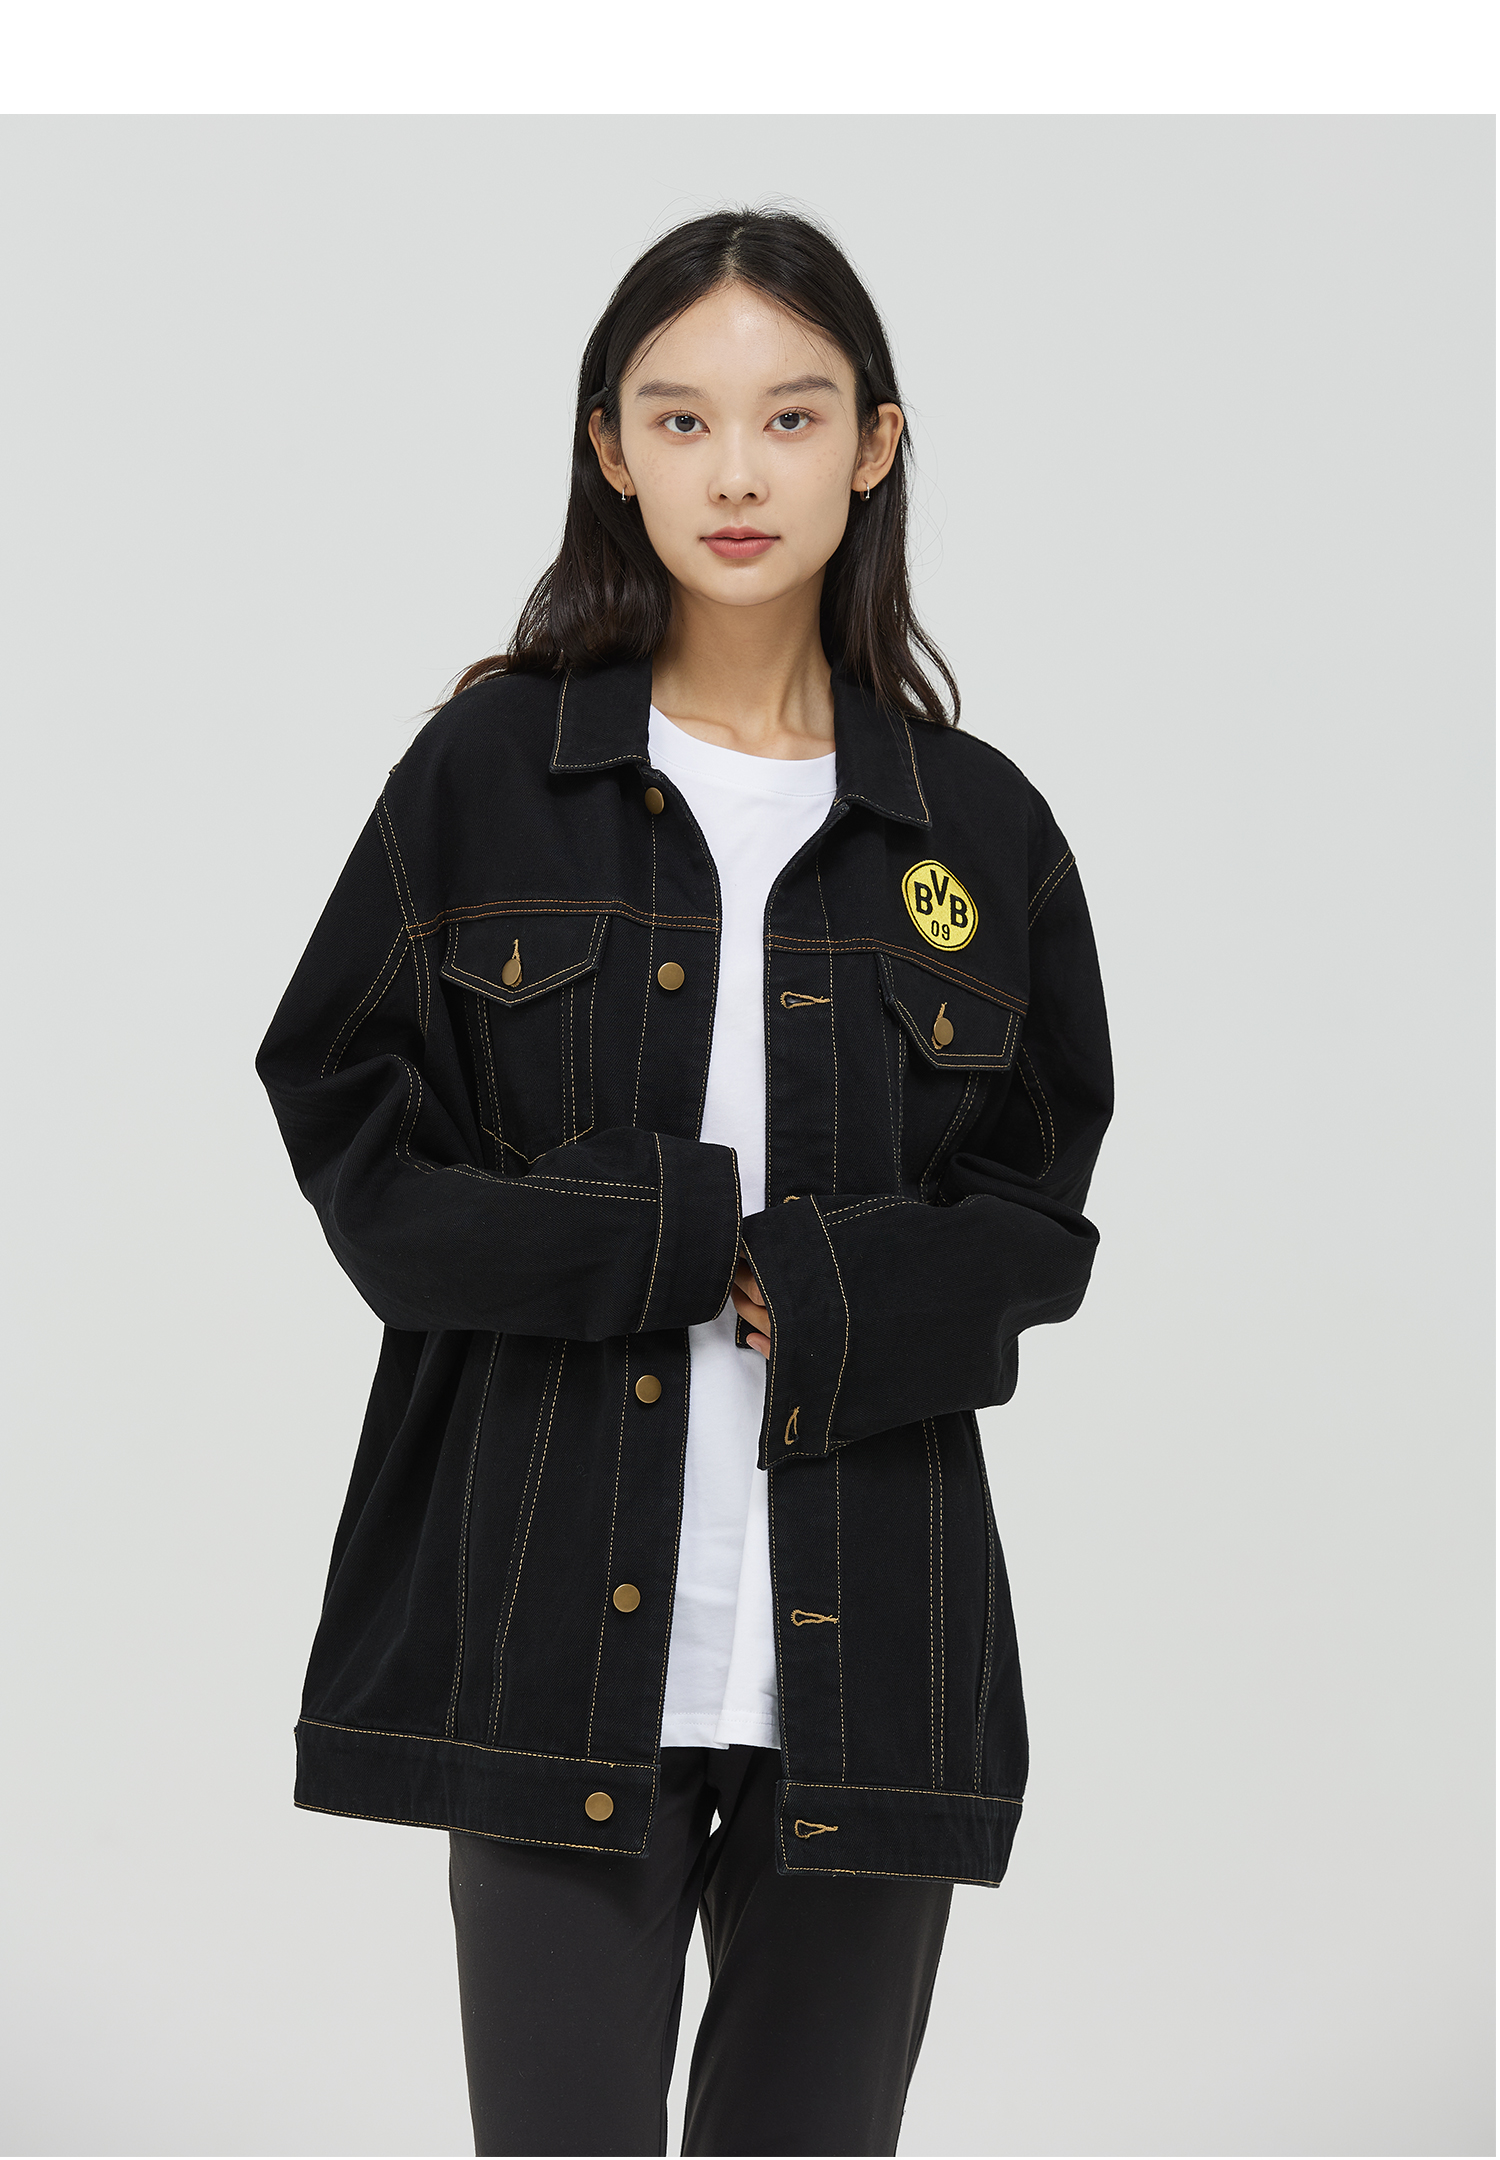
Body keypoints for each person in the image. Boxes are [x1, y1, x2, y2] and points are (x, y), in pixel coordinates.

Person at [256, 206, 1113, 2157]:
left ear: (873, 447)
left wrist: (827, 1290)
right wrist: (653, 1240)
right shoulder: (485, 775)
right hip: (548, 1637)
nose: (737, 471)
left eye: (791, 418)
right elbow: (353, 1136)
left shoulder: (977, 831)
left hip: (870, 1656)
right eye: (682, 418)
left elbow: (1037, 1220)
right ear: (610, 446)